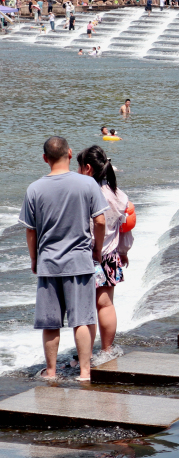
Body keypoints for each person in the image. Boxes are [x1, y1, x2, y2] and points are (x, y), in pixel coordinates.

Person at [20, 137, 108, 381]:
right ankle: (84, 372)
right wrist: (97, 249)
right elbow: (100, 221)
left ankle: (50, 372)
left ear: (45, 158)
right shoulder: (87, 184)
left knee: (50, 323)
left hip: (48, 262)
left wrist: (34, 258)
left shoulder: (34, 188)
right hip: (79, 261)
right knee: (82, 320)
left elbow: (30, 230)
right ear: (70, 153)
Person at [76, 146, 133, 358]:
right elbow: (126, 227)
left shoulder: (83, 193)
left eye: (79, 167)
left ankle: (85, 355)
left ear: (88, 169)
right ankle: (107, 351)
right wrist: (124, 251)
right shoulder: (118, 195)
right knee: (106, 305)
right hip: (110, 256)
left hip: (85, 255)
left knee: (85, 308)